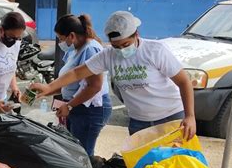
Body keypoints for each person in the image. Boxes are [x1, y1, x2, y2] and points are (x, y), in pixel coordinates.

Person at [32, 11, 196, 140]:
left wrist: (190, 116)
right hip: (138, 121)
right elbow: (77, 72)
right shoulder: (108, 55)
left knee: (174, 167)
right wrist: (49, 87)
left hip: (170, 117)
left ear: (136, 35)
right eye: (116, 46)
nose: (121, 50)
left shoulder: (155, 51)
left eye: (126, 44)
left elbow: (183, 82)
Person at [53, 14, 112, 155]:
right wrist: (44, 91)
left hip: (89, 110)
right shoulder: (75, 50)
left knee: (83, 154)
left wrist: (69, 105)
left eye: (61, 39)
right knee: (74, 151)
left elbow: (94, 86)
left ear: (71, 36)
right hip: (76, 107)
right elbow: (67, 79)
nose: (60, 43)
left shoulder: (90, 49)